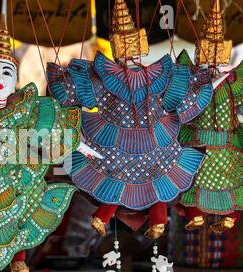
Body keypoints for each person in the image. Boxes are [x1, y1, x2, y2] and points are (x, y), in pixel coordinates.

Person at [0, 14, 101, 272]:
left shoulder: (25, 112)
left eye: (6, 72)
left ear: (16, 81)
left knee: (24, 207)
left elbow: (46, 133)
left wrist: (76, 145)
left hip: (14, 173)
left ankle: (19, 257)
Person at [47, 0, 213, 239]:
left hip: (154, 140)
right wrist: (61, 80)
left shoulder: (157, 75)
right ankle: (103, 216)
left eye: (134, 50)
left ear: (142, 49)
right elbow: (76, 90)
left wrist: (206, 80)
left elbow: (180, 98)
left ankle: (154, 221)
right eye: (126, 51)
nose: (131, 55)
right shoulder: (104, 76)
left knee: (159, 176)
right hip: (115, 139)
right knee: (115, 174)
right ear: (116, 51)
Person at [177, 0, 242, 233]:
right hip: (201, 141)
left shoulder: (232, 83)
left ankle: (228, 217)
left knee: (228, 181)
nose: (213, 63)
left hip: (223, 142)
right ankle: (201, 215)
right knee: (195, 181)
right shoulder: (194, 81)